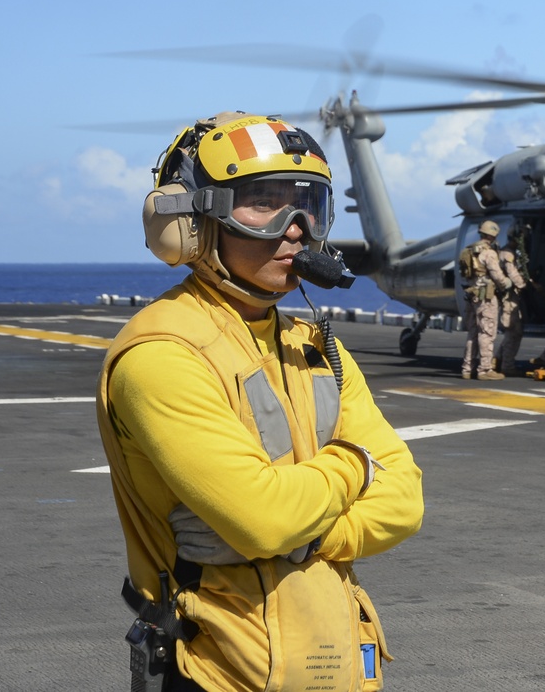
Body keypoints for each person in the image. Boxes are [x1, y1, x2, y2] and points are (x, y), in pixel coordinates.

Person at [95, 111, 424, 692]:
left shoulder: (313, 346)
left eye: (306, 204)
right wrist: (356, 465)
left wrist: (316, 532)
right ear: (193, 221)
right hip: (219, 670)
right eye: (263, 202)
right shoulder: (162, 354)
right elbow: (264, 519)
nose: (294, 227)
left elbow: (406, 502)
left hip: (334, 659)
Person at [459, 220, 512, 380]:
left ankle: (467, 368)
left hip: (472, 295)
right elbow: (497, 275)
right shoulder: (489, 253)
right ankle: (485, 370)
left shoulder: (469, 250)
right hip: (486, 298)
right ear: (493, 236)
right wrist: (507, 283)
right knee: (487, 332)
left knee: (473, 333)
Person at [494, 225, 530, 376]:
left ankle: (498, 360)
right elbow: (513, 275)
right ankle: (507, 366)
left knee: (512, 332)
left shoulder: (510, 253)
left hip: (511, 297)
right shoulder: (508, 254)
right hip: (509, 298)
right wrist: (526, 285)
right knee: (514, 332)